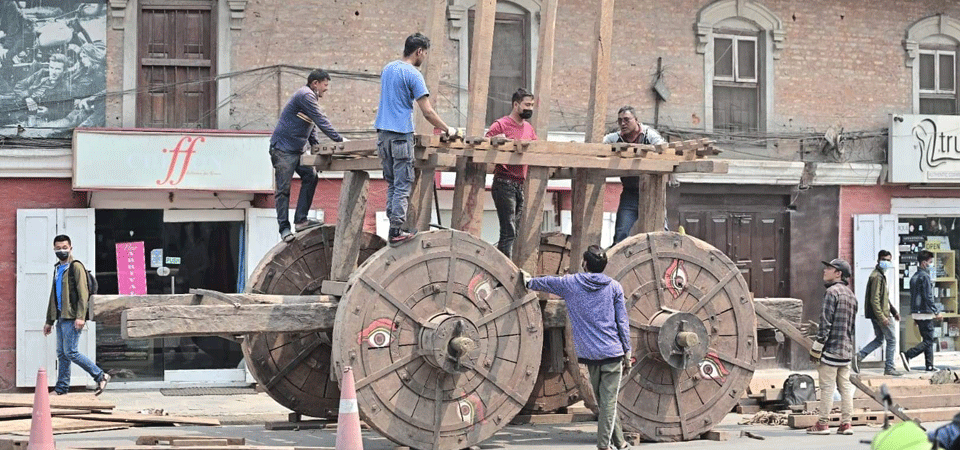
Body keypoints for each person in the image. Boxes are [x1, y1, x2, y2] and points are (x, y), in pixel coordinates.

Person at [524, 245, 630, 450]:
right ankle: (604, 444)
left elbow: (548, 282)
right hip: (612, 353)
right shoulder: (614, 287)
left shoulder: (571, 284)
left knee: (605, 400)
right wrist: (627, 351)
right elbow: (622, 322)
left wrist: (529, 282)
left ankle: (619, 442)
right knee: (607, 401)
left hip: (590, 355)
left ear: (585, 264)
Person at [374, 32, 457, 245]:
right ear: (419, 51)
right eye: (425, 53)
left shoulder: (388, 69)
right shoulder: (413, 74)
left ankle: (392, 226)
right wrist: (448, 129)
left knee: (392, 182)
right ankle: (396, 231)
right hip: (401, 135)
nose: (424, 58)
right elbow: (427, 112)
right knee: (403, 184)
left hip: (383, 135)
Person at [270, 69, 343, 242]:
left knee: (310, 175)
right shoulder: (306, 95)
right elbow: (320, 119)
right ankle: (284, 229)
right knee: (283, 189)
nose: (326, 89)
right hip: (283, 150)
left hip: (297, 150)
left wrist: (315, 146)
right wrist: (339, 140)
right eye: (325, 85)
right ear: (315, 83)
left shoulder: (311, 98)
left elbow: (310, 125)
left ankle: (301, 220)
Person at [43, 235, 109, 395]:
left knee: (71, 351)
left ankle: (100, 376)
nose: (61, 251)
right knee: (62, 354)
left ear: (70, 248)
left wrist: (81, 316)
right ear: (53, 249)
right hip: (61, 317)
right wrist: (49, 321)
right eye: (58, 248)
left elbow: (83, 293)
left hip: (72, 316)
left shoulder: (75, 267)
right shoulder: (58, 269)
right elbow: (54, 296)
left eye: (64, 247)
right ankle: (61, 389)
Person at [807, 258, 857, 435]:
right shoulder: (851, 295)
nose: (825, 271)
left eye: (829, 268)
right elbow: (850, 327)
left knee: (827, 388)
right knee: (845, 389)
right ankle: (846, 424)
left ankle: (822, 424)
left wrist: (817, 348)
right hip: (846, 350)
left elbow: (826, 323)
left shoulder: (831, 293)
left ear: (839, 274)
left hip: (830, 351)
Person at [485, 88, 537, 257]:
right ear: (516, 105)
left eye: (532, 105)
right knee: (509, 230)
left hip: (519, 185)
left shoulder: (529, 128)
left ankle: (505, 267)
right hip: (504, 182)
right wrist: (495, 141)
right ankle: (504, 272)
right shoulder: (501, 125)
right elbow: (484, 143)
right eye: (526, 105)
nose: (530, 108)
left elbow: (536, 148)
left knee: (513, 232)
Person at [603, 106, 665, 245]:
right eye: (619, 121)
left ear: (636, 120)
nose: (623, 123)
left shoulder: (649, 135)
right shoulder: (616, 138)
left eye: (626, 120)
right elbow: (600, 144)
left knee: (661, 232)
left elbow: (664, 149)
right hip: (630, 193)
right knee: (620, 235)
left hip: (652, 192)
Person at [854, 250, 902, 376]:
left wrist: (894, 311)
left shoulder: (880, 276)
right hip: (881, 315)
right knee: (891, 340)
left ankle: (859, 356)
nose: (886, 262)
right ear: (878, 260)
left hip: (880, 313)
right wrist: (882, 317)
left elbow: (884, 298)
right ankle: (889, 368)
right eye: (884, 259)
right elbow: (874, 300)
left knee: (880, 339)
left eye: (888, 260)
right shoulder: (876, 277)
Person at [901, 250, 941, 372]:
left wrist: (913, 314)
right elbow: (928, 296)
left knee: (926, 339)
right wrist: (936, 311)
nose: (931, 264)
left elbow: (913, 296)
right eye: (930, 262)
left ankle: (929, 365)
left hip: (916, 312)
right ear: (924, 263)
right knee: (929, 340)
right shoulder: (925, 277)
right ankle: (909, 354)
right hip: (925, 312)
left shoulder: (914, 277)